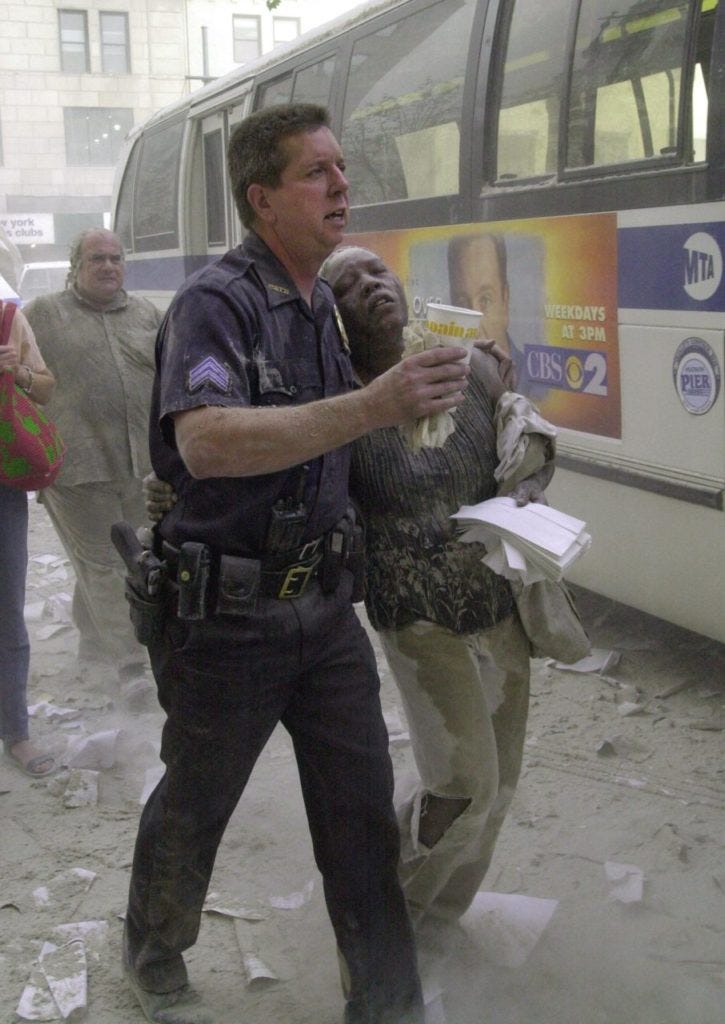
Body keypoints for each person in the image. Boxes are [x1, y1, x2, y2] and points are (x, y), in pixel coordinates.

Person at [123, 103, 471, 1024]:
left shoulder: (323, 303)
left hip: (323, 616)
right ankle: (155, 943)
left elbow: (353, 453)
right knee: (195, 805)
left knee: (360, 826)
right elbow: (205, 443)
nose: (341, 186)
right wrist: (372, 403)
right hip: (227, 623)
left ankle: (387, 1005)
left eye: (342, 169)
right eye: (317, 172)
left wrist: (426, 397)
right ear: (261, 197)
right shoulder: (217, 302)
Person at [321, 245, 554, 942]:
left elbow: (525, 469)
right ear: (330, 315)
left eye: (376, 274)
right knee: (463, 787)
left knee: (502, 786)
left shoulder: (469, 363)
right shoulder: (340, 400)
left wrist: (531, 458)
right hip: (416, 613)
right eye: (347, 285)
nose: (369, 287)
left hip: (495, 596)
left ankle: (441, 919)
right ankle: (391, 926)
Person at [24, 229, 163, 699]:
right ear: (75, 266)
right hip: (75, 466)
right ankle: (130, 668)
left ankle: (92, 645)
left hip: (140, 465)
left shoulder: (147, 314)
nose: (108, 266)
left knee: (129, 556)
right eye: (96, 258)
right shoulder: (44, 313)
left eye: (115, 258)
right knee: (105, 562)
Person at [0, 301, 57, 777]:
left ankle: (15, 732)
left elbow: (44, 387)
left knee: (6, 610)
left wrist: (17, 372)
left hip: (2, 483)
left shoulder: (6, 317)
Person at [448, 232, 543, 398]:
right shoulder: (447, 384)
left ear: (505, 301)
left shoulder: (538, 388)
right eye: (462, 303)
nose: (474, 327)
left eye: (485, 299)